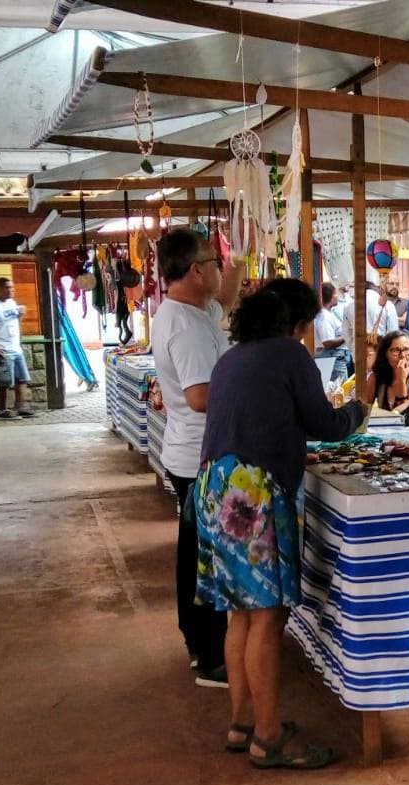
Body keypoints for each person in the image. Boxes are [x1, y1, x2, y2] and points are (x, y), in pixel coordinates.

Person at [195, 278, 368, 769]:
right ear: (297, 322)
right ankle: (268, 738)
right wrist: (361, 407)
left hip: (215, 487)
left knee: (240, 614)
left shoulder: (232, 358)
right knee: (267, 618)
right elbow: (326, 425)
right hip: (253, 491)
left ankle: (242, 723)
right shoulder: (290, 355)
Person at [152, 228, 240, 687]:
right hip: (198, 457)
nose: (218, 268)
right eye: (213, 261)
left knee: (196, 556)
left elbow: (225, 299)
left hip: (193, 451)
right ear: (193, 270)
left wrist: (246, 248)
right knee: (203, 561)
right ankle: (208, 654)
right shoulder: (184, 326)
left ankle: (200, 643)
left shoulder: (193, 309)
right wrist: (251, 392)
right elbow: (201, 395)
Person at [0, 276, 34, 419]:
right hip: (2, 349)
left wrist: (21, 315)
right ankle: (2, 410)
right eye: (8, 287)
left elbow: (14, 322)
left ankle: (21, 407)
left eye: (12, 287)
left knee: (22, 379)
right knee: (5, 381)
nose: (11, 290)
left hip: (16, 348)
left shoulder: (12, 302)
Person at [367, 330, 409, 424]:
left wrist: (401, 380)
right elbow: (364, 410)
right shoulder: (376, 377)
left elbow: (408, 414)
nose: (402, 356)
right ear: (385, 354)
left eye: (406, 350)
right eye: (396, 350)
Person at [339, 281, 398, 359]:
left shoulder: (349, 307)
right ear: (376, 288)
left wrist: (353, 349)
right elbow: (393, 333)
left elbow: (346, 333)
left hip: (359, 353)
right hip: (380, 354)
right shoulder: (388, 305)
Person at [313, 283, 349, 381]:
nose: (337, 297)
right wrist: (347, 336)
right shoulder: (324, 317)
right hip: (332, 359)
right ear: (331, 296)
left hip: (336, 358)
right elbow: (328, 343)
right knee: (339, 389)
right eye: (336, 294)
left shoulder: (330, 314)